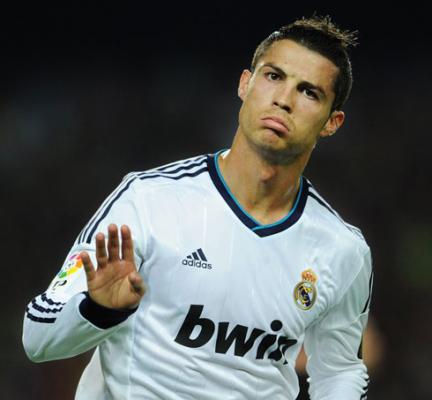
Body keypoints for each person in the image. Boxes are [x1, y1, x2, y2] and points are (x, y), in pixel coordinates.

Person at [22, 14, 373, 400]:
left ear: (332, 122)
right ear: (245, 84)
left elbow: (340, 370)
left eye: (309, 92)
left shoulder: (342, 249)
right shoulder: (149, 200)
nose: (284, 100)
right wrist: (98, 310)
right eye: (274, 76)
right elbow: (37, 338)